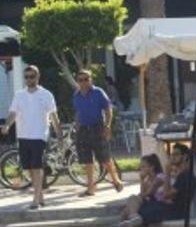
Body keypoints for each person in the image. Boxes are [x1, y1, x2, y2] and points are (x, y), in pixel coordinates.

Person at [117, 143, 194, 227]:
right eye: (171, 154)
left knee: (135, 214)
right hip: (167, 207)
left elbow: (167, 194)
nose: (172, 157)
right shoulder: (181, 175)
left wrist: (167, 173)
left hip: (174, 210)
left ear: (185, 157)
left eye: (176, 155)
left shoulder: (185, 176)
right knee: (134, 212)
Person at [1, 65, 62, 208]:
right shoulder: (19, 95)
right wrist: (7, 125)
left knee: (37, 166)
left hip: (39, 135)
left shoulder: (46, 95)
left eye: (32, 76)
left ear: (38, 76)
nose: (29, 79)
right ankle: (40, 195)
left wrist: (59, 135)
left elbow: (54, 116)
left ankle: (35, 199)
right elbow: (13, 113)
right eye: (27, 77)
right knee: (28, 167)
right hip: (23, 136)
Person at [72, 69, 123, 196]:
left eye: (86, 79)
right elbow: (78, 112)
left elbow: (108, 109)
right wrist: (77, 127)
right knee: (87, 160)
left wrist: (107, 125)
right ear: (78, 82)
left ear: (91, 80)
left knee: (105, 156)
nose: (83, 82)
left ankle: (116, 180)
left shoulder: (98, 92)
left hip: (97, 128)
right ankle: (91, 187)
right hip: (83, 129)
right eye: (80, 80)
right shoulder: (76, 96)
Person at [119, 154, 166, 224]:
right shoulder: (147, 180)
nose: (141, 169)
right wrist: (143, 180)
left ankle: (132, 218)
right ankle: (131, 219)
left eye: (143, 167)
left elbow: (147, 193)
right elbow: (142, 195)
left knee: (132, 201)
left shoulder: (160, 177)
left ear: (152, 167)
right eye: (141, 167)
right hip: (151, 201)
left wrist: (141, 180)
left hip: (159, 203)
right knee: (127, 208)